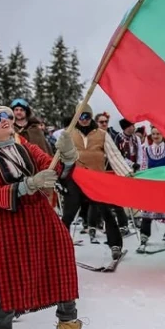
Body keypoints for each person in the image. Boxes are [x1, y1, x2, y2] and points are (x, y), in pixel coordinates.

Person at [0, 106, 93, 329]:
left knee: (63, 273)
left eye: (7, 116)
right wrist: (28, 185)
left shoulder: (26, 149)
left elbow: (58, 168)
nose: (5, 121)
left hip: (43, 219)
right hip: (14, 225)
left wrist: (69, 154)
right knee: (10, 284)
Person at [61, 104, 132, 259]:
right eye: (81, 116)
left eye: (86, 116)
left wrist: (127, 175)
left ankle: (115, 245)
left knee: (106, 212)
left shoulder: (101, 134)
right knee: (68, 214)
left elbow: (114, 156)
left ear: (90, 117)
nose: (84, 120)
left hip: (96, 179)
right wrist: (60, 178)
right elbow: (61, 157)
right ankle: (58, 246)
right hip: (76, 179)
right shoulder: (69, 133)